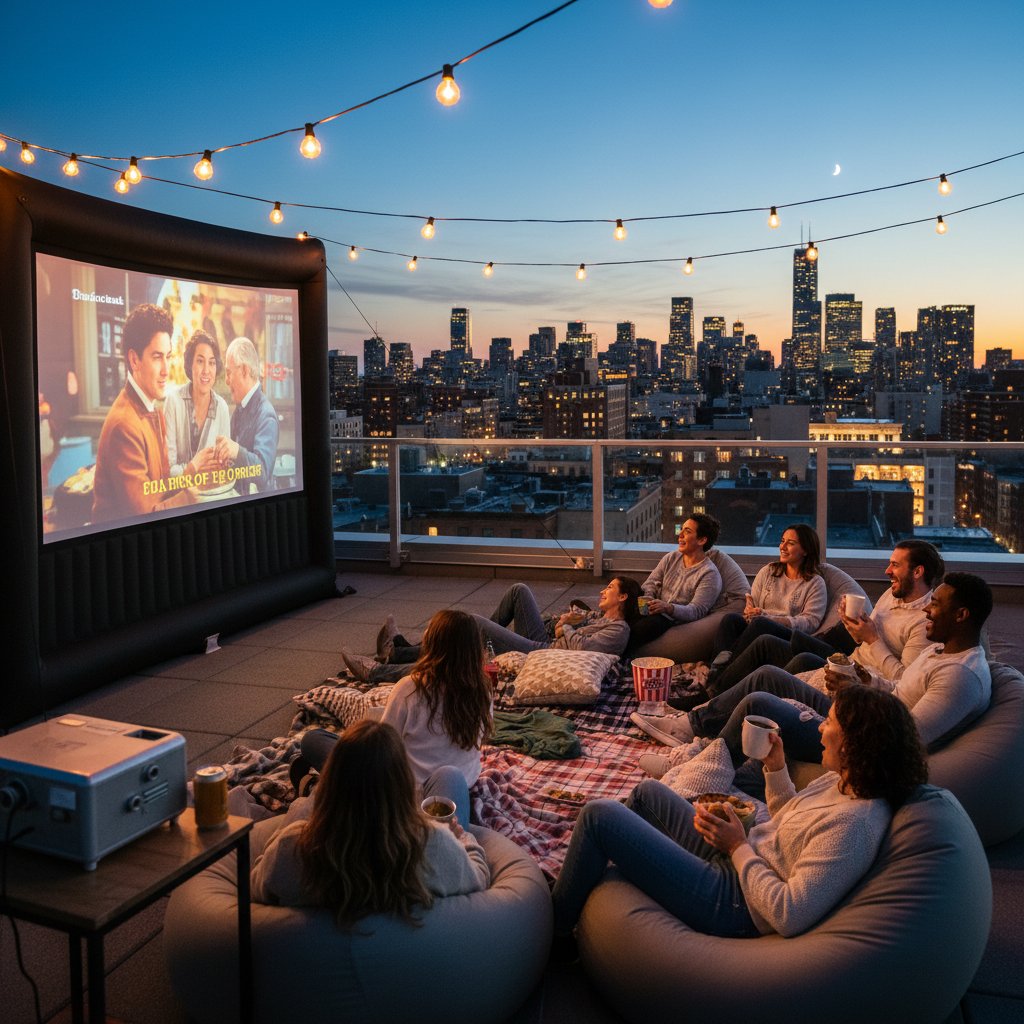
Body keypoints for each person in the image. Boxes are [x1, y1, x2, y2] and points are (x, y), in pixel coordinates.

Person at [551, 684, 927, 948]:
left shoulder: (854, 826)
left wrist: (738, 848)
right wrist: (775, 768)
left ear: (853, 743)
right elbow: (785, 824)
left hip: (735, 903)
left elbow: (789, 912)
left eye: (829, 723)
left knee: (600, 816)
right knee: (649, 793)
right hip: (741, 863)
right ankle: (599, 868)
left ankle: (553, 931)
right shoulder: (844, 782)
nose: (821, 729)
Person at [631, 572, 992, 772]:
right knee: (768, 674)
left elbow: (905, 737)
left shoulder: (960, 677)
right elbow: (897, 688)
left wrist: (854, 692)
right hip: (858, 703)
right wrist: (861, 679)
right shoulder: (939, 650)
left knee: (762, 699)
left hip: (858, 733)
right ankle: (693, 727)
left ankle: (705, 766)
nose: (927, 610)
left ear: (962, 616)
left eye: (936, 605)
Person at [252, 720, 490, 921]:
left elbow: (256, 884)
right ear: (403, 784)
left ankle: (314, 788)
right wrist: (460, 835)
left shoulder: (292, 847)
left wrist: (289, 829)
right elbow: (480, 877)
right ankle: (312, 789)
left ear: (331, 779)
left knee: (301, 805)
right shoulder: (435, 843)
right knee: (451, 776)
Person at [668, 540, 944, 708]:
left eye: (895, 565)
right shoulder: (891, 596)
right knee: (755, 634)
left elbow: (903, 680)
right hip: (845, 652)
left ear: (917, 572)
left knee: (771, 641)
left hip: (851, 670)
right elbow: (863, 636)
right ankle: (715, 694)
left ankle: (719, 697)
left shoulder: (924, 623)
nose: (887, 571)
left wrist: (872, 639)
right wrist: (853, 624)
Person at [296, 609, 494, 825]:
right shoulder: (483, 690)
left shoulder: (410, 688)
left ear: (433, 645)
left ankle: (322, 786)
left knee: (313, 740)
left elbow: (381, 749)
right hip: (456, 789)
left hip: (405, 793)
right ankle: (322, 783)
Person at [346, 576, 643, 684]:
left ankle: (392, 660)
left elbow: (583, 653)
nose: (603, 591)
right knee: (519, 590)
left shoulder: (619, 630)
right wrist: (559, 621)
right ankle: (399, 651)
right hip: (547, 640)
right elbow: (561, 628)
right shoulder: (595, 616)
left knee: (473, 625)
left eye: (610, 588)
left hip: (547, 654)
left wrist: (566, 627)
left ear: (624, 597)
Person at [92, 303, 198, 523]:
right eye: (157, 357)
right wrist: (197, 492)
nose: (166, 370)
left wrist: (193, 472)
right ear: (134, 360)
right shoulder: (125, 425)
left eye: (168, 357)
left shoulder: (153, 409)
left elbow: (159, 487)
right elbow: (147, 516)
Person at [702, 524, 827, 697]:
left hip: (786, 634)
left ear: (805, 550)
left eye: (790, 543)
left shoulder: (815, 583)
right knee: (730, 620)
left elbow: (811, 622)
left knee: (761, 623)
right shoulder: (768, 571)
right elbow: (754, 608)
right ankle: (718, 675)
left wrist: (769, 618)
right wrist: (750, 610)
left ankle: (717, 682)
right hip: (758, 626)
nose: (782, 547)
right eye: (782, 541)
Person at [625, 514, 723, 654]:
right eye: (681, 529)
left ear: (702, 540)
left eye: (687, 531)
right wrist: (648, 599)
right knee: (624, 593)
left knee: (645, 626)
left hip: (669, 620)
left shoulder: (710, 574)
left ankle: (610, 652)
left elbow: (696, 611)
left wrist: (668, 608)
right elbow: (650, 583)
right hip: (652, 609)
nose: (680, 535)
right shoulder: (671, 557)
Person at [214, 336, 279, 493]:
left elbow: (262, 471)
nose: (227, 381)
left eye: (229, 373)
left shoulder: (266, 415)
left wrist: (235, 450)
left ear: (244, 370)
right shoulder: (240, 409)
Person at [164, 329, 230, 479]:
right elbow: (167, 470)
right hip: (179, 498)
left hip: (212, 497)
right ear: (190, 365)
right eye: (200, 361)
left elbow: (223, 467)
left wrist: (222, 464)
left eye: (212, 363)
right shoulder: (173, 402)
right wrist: (195, 467)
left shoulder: (222, 408)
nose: (206, 370)